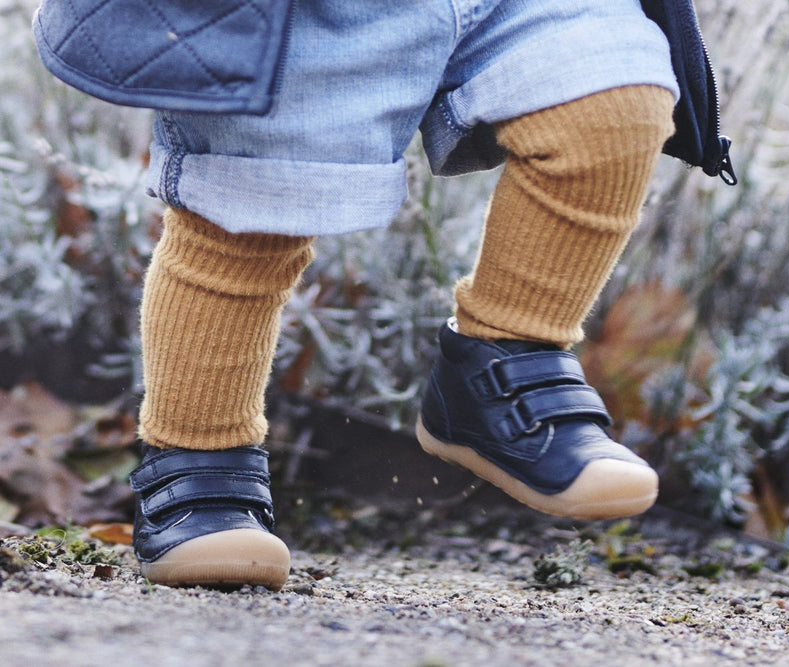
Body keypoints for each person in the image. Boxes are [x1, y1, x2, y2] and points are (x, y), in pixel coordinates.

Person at [34, 0, 697, 590]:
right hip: (297, 20)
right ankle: (198, 452)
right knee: (250, 213)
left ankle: (506, 355)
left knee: (613, 103)